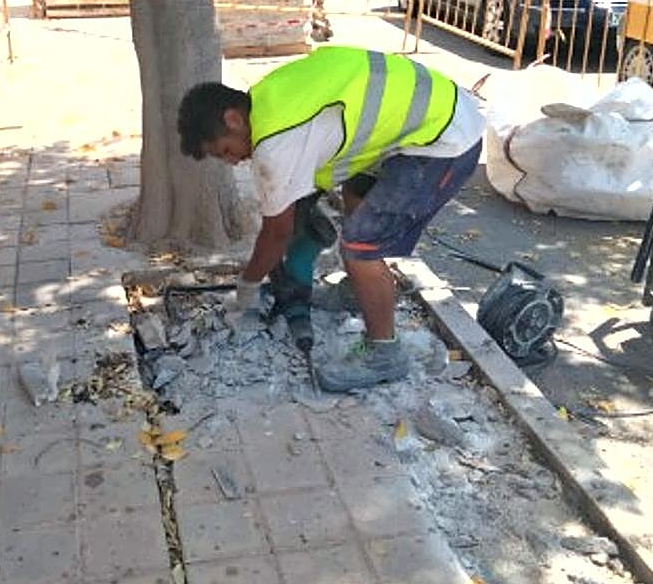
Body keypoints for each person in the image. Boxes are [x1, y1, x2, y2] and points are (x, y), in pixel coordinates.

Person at [177, 45, 484, 393]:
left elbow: (276, 234)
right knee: (355, 196)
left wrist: (248, 286)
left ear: (233, 119)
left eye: (227, 151)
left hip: (444, 141)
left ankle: (385, 354)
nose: (233, 162)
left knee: (359, 247)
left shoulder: (274, 143)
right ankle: (358, 292)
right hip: (436, 113)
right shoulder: (268, 96)